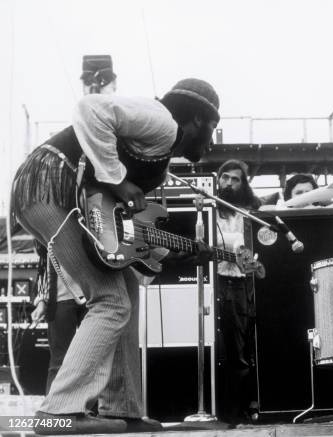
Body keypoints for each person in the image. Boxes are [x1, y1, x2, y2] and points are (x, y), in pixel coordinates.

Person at [12, 77, 220, 434]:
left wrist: (177, 250)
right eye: (214, 127)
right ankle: (58, 412)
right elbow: (88, 108)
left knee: (126, 287)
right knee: (110, 301)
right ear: (199, 119)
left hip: (52, 191)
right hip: (51, 187)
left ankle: (122, 409)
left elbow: (120, 222)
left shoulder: (158, 146)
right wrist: (119, 179)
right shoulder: (162, 121)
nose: (212, 139)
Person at [30, 54, 118, 395]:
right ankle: (57, 418)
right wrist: (42, 299)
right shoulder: (53, 215)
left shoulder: (90, 205)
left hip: (91, 288)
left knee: (94, 360)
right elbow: (45, 260)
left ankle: (88, 414)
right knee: (60, 360)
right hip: (63, 296)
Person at [214, 159, 261, 424]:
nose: (229, 183)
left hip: (241, 284)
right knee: (218, 346)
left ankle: (243, 408)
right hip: (214, 281)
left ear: (244, 184)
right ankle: (221, 408)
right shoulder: (209, 209)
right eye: (225, 177)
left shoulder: (249, 214)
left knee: (240, 347)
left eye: (235, 179)